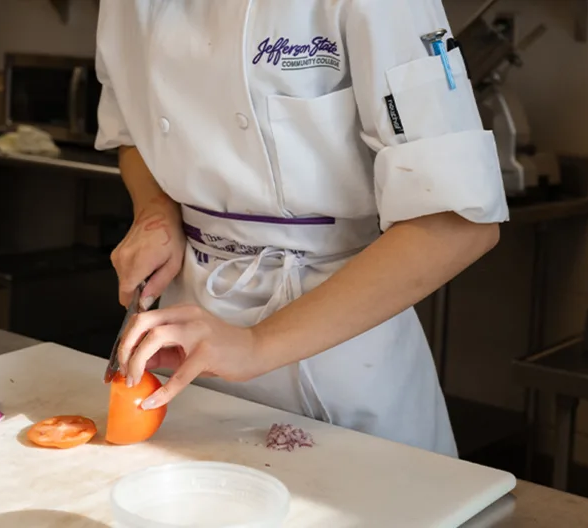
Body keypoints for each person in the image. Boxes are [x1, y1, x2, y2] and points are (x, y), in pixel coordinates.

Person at [93, 0, 509, 457]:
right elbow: (130, 131)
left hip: (338, 356)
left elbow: (457, 222)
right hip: (188, 346)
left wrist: (255, 344)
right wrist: (156, 211)